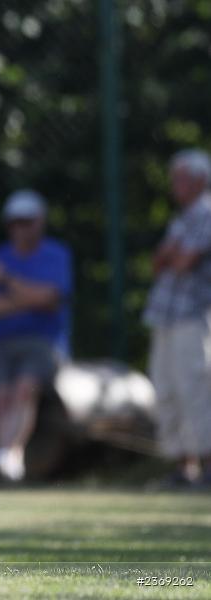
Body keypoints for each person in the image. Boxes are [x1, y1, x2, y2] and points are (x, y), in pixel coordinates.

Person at [0, 190, 73, 482]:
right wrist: (30, 295)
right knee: (1, 396)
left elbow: (50, 298)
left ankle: (8, 455)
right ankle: (5, 458)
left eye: (27, 221)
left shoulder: (55, 255)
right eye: (15, 222)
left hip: (43, 342)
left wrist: (7, 281)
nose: (21, 228)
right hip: (0, 342)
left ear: (40, 222)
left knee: (24, 389)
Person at [143, 149, 211, 488]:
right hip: (164, 316)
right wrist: (171, 255)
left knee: (196, 389)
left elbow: (184, 262)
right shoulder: (181, 219)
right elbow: (158, 264)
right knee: (166, 389)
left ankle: (207, 465)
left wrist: (172, 255)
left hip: (193, 317)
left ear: (201, 180)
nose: (175, 185)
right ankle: (184, 467)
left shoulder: (207, 215)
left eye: (182, 178)